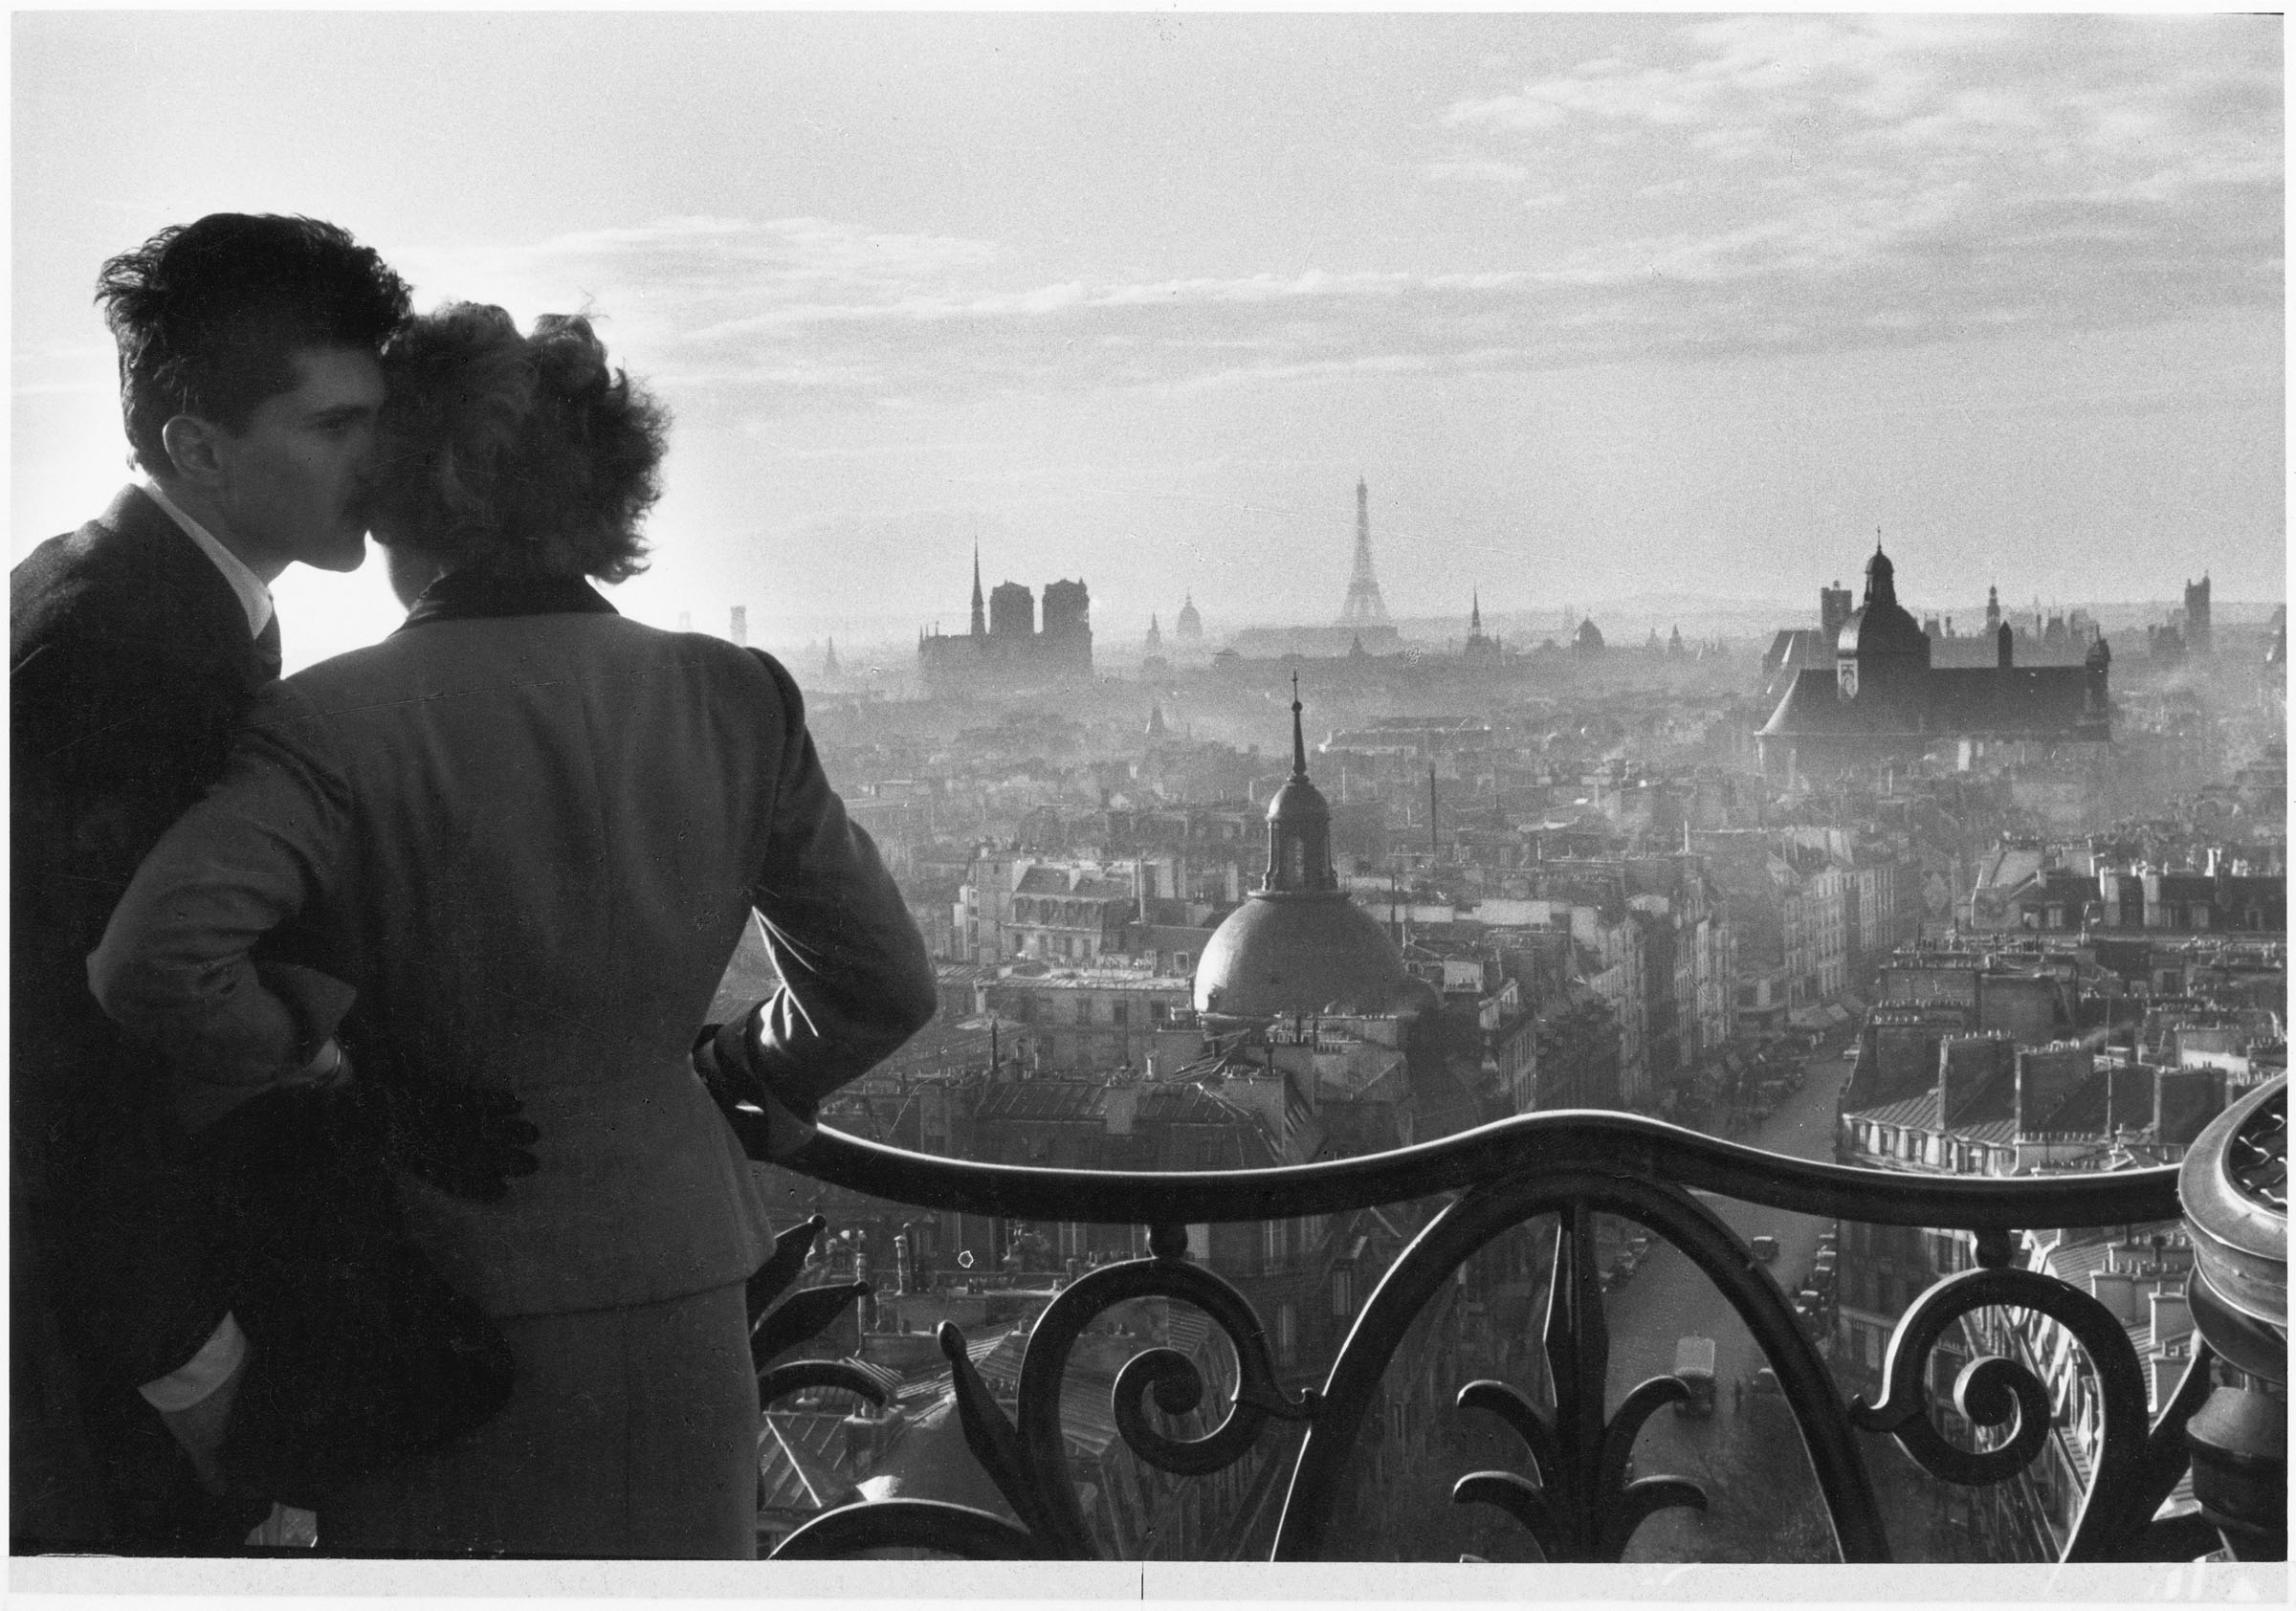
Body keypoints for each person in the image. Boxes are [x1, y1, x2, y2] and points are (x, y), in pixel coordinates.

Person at [91, 302, 938, 1557]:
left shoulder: (336, 720)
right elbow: (883, 983)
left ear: (401, 493)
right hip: (683, 1270)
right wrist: (738, 1070)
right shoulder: (732, 693)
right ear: (608, 493)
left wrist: (328, 1061)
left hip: (433, 1293)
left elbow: (153, 964)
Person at [11, 213, 410, 1552]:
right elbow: (68, 1066)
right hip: (118, 1370)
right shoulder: (125, 654)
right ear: (198, 449)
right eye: (336, 425)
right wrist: (208, 1383)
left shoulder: (102, 592)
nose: (378, 459)